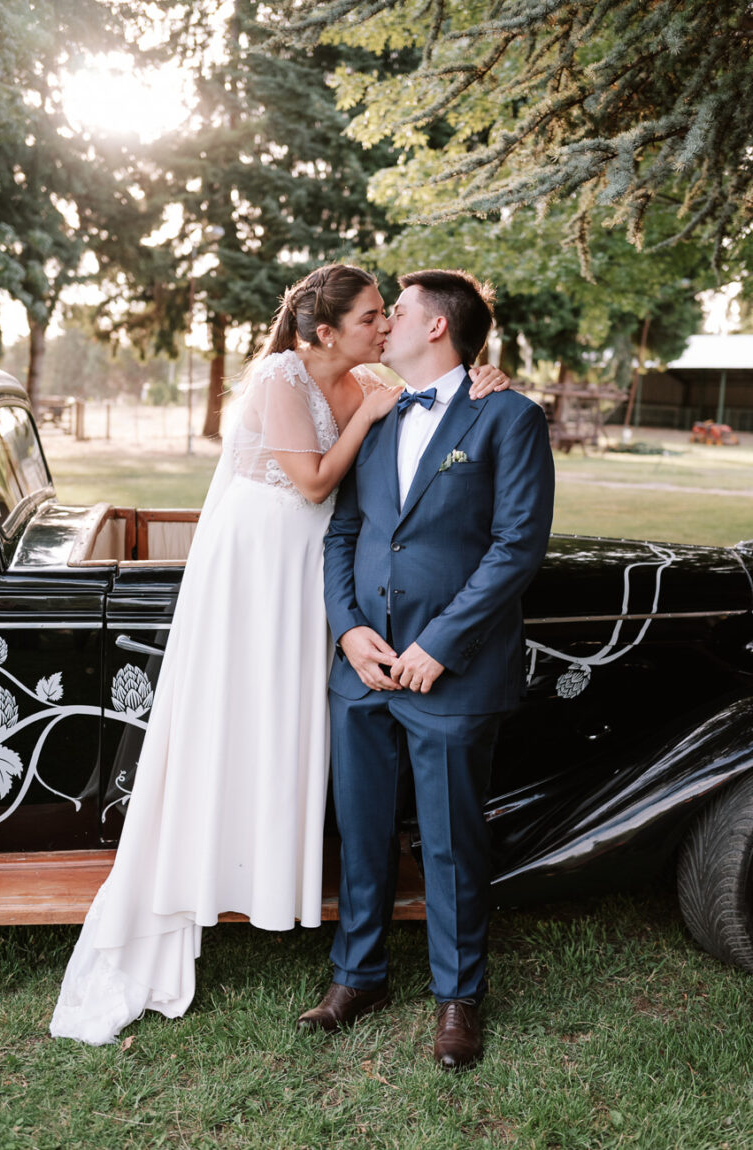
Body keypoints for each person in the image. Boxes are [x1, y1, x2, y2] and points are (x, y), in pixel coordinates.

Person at [50, 264, 510, 1046]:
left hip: (335, 588)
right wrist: (368, 416)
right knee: (254, 721)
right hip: (268, 572)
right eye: (373, 316)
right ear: (328, 331)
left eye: (390, 314)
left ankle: (360, 930)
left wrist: (482, 379)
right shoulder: (288, 378)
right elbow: (318, 488)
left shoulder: (385, 379)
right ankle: (257, 896)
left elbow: (446, 402)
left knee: (307, 735)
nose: (384, 325)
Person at [298, 269, 555, 1071]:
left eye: (397, 312)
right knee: (363, 830)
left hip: (454, 672)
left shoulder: (507, 415)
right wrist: (348, 633)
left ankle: (457, 997)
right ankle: (358, 976)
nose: (386, 323)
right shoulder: (373, 411)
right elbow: (344, 533)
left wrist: (439, 645)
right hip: (365, 670)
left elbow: (517, 546)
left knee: (449, 840)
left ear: (437, 327)